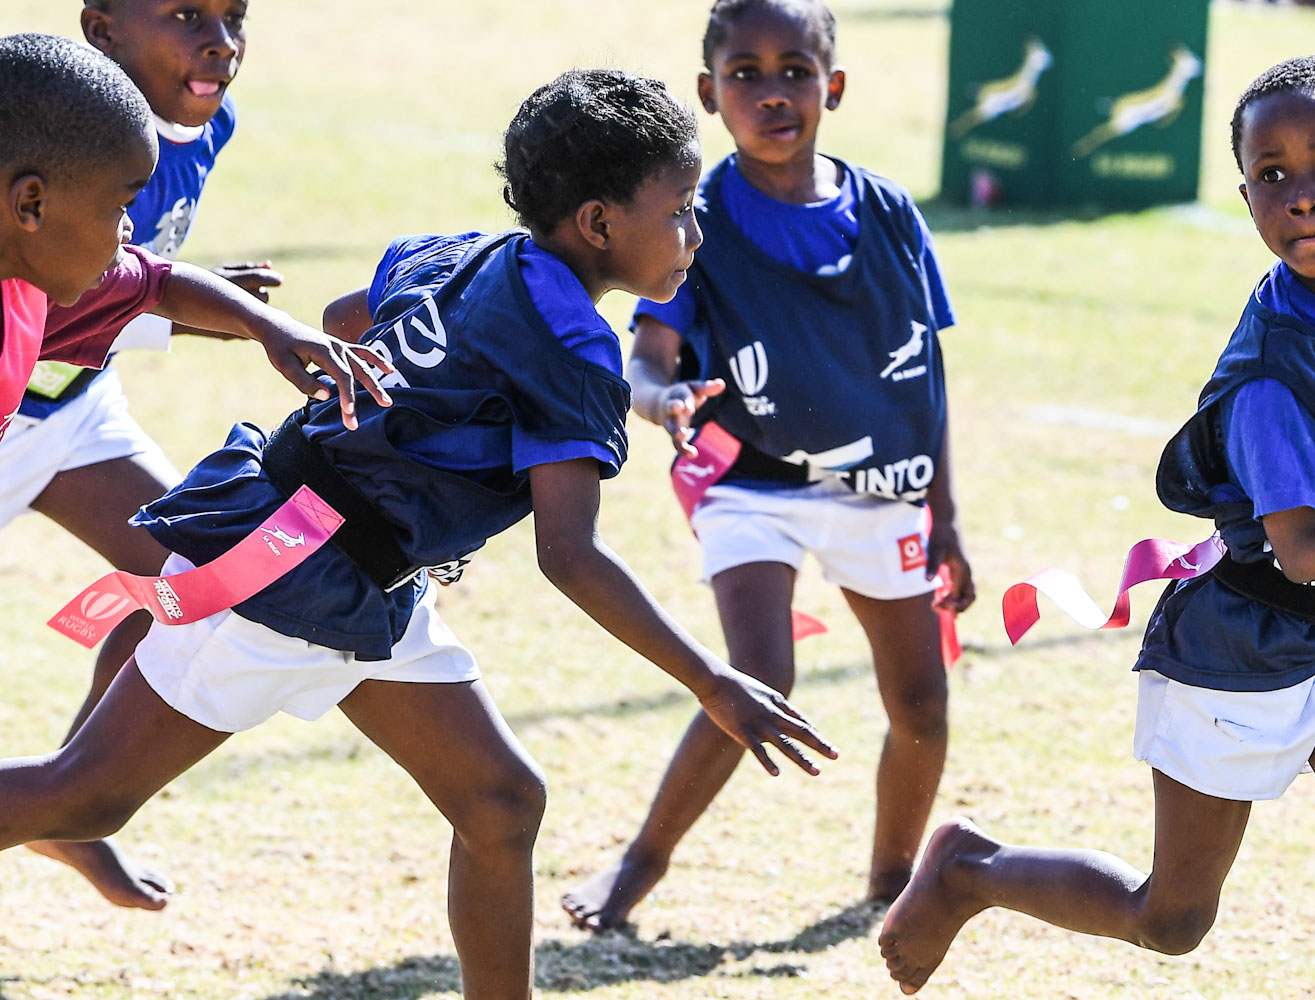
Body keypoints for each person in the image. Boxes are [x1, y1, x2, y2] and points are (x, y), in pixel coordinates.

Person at [0, 68, 835, 1000]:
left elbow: (345, 320)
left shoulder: (470, 254)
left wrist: (420, 444)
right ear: (599, 224)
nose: (694, 233)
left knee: (500, 801)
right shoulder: (575, 357)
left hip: (371, 583)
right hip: (282, 576)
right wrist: (712, 682)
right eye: (681, 210)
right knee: (86, 796)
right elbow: (571, 556)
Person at [877, 56, 1315, 997]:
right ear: (1247, 201)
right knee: (1170, 918)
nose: (1304, 196)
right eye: (1273, 176)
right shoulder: (1272, 380)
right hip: (1238, 643)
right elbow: (1305, 547)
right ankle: (969, 871)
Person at [561, 0, 973, 934]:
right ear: (709, 95)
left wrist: (943, 515)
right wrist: (658, 398)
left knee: (921, 704)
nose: (772, 91)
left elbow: (928, 374)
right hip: (753, 484)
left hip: (884, 490)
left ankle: (894, 881)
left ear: (834, 84)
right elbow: (649, 354)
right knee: (760, 673)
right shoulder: (695, 219)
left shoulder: (890, 215)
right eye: (744, 73)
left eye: (795, 68)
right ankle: (638, 867)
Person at [5, 0, 282, 912]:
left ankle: (65, 803)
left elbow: (139, 280)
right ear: (102, 28)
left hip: (70, 417)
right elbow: (115, 296)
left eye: (235, 15)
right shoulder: (50, 136)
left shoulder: (196, 129)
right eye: (187, 14)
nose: (219, 40)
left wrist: (247, 317)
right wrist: (183, 323)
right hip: (25, 396)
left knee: (195, 582)